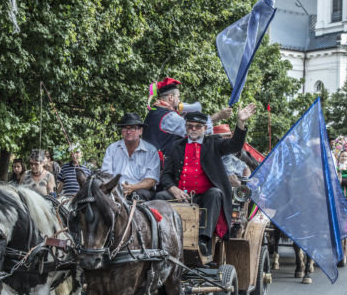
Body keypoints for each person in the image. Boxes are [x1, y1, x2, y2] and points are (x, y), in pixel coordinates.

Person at [157, 104, 256, 256]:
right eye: (190, 126)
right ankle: (159, 238)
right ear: (186, 128)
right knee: (159, 197)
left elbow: (234, 145)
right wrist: (173, 189)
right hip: (180, 196)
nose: (194, 129)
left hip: (204, 198)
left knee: (215, 193)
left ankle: (204, 239)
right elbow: (166, 175)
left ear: (204, 128)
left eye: (198, 126)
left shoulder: (214, 143)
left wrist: (240, 122)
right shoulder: (177, 146)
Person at [143, 77, 232, 157]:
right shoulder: (168, 117)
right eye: (178, 97)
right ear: (171, 98)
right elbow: (194, 129)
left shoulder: (155, 111)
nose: (179, 100)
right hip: (162, 168)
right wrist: (219, 116)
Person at [101, 113, 160, 201]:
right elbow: (106, 175)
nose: (128, 132)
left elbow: (151, 180)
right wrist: (117, 189)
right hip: (115, 190)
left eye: (132, 128)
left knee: (139, 195)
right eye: (125, 128)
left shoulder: (151, 151)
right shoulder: (112, 149)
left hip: (139, 191)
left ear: (140, 131)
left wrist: (132, 187)